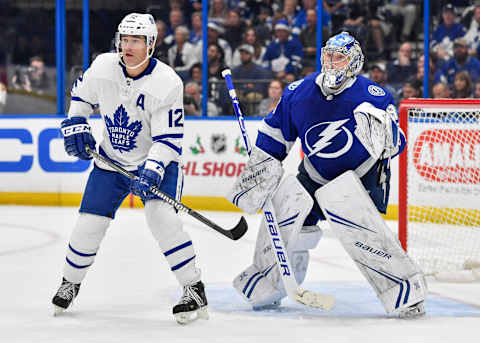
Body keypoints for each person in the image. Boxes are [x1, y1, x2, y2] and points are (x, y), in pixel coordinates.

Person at [227, 32, 426, 318]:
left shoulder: (374, 96)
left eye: (340, 57)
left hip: (361, 175)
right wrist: (260, 171)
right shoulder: (299, 92)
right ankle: (268, 284)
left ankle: (403, 289)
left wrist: (387, 138)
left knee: (361, 231)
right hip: (315, 173)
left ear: (354, 62)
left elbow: (396, 145)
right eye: (329, 57)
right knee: (286, 212)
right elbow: (275, 135)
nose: (333, 63)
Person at [51, 13, 208, 325]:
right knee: (87, 226)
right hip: (110, 163)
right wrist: (76, 123)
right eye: (124, 39)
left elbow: (168, 140)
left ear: (150, 44)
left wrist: (151, 170)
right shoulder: (103, 67)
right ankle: (70, 282)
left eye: (136, 40)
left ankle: (194, 289)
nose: (128, 46)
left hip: (158, 164)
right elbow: (80, 98)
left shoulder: (167, 83)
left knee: (162, 219)